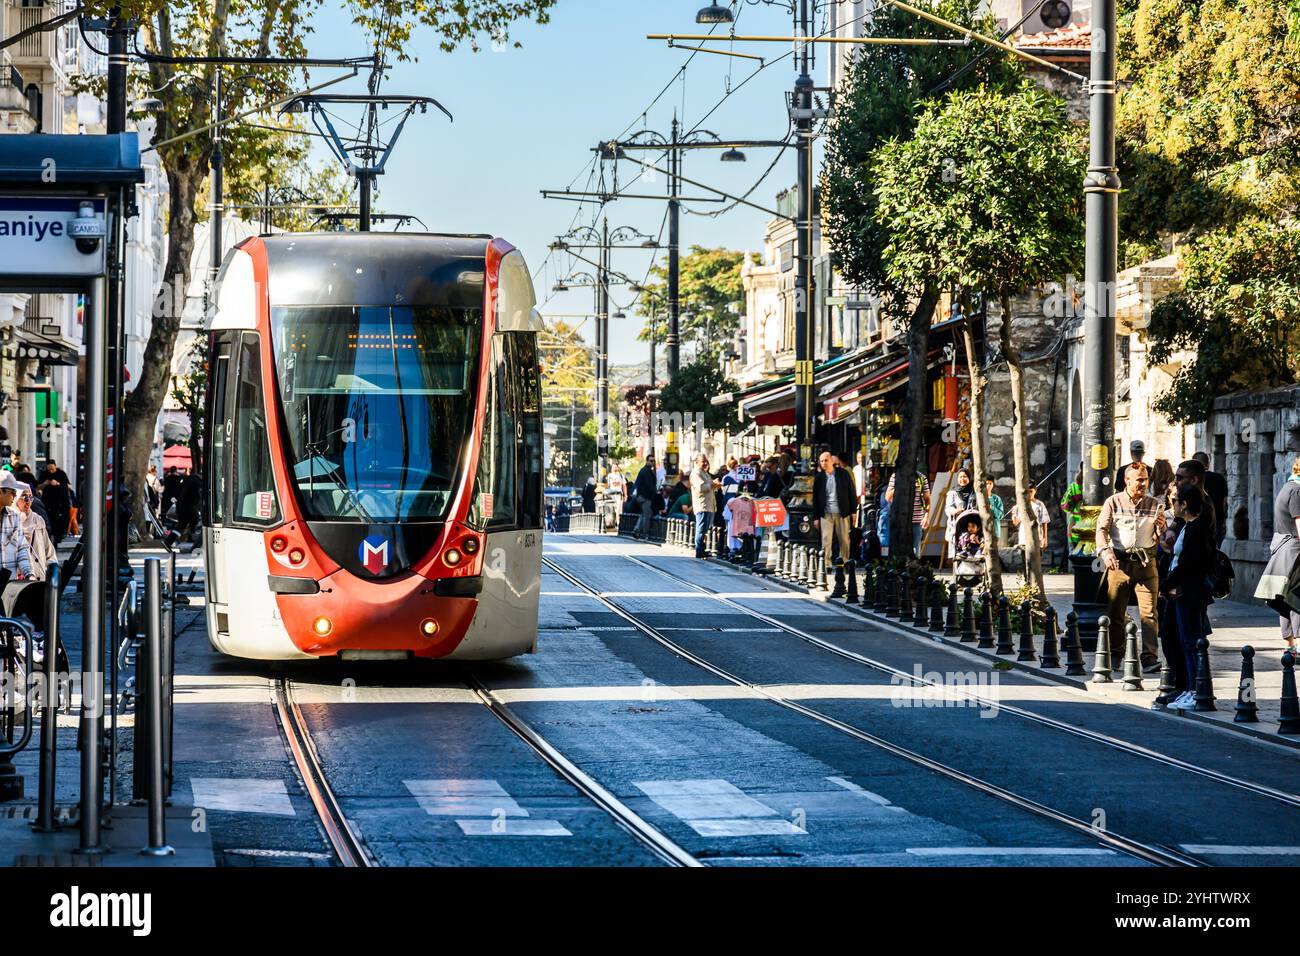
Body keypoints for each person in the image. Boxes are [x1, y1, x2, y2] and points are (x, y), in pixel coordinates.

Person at [1097, 461, 1166, 673]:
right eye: (1140, 480)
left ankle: (1149, 658)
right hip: (1120, 563)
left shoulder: (1155, 504)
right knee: (1116, 612)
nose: (1144, 484)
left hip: (1146, 564)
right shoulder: (1113, 502)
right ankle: (1116, 655)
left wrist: (1161, 528)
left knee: (1149, 613)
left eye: (1146, 480)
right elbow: (1101, 529)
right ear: (1127, 480)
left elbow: (1162, 538)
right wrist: (1106, 553)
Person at [1160, 484, 1217, 710]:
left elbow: (1187, 565)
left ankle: (1195, 691)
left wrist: (1167, 584)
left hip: (1189, 592)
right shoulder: (1188, 526)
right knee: (1185, 641)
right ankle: (1190, 689)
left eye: (1175, 501)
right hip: (1182, 591)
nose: (1172, 505)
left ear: (1184, 504)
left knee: (1191, 642)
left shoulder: (1197, 528)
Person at [1255, 456, 1300, 652]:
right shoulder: (1297, 491)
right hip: (1294, 550)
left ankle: (1290, 644)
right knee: (1296, 597)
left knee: (1285, 598)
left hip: (1284, 548)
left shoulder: (1287, 487)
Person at [813, 450, 855, 572]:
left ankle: (844, 561)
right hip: (826, 512)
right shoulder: (819, 478)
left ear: (832, 460)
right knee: (826, 539)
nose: (824, 463)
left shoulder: (843, 474)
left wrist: (853, 511)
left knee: (844, 539)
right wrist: (816, 517)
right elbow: (815, 498)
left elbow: (851, 492)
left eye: (826, 460)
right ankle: (827, 564)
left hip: (842, 511)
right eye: (821, 461)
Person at [885, 468, 931, 555]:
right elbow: (887, 497)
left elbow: (927, 499)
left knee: (915, 551)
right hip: (900, 521)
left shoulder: (921, 477)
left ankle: (914, 567)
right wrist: (900, 484)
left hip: (917, 521)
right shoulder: (895, 476)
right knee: (899, 550)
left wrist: (926, 516)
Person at [1173, 458, 1219, 543]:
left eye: (1179, 478)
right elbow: (1175, 524)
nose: (1175, 482)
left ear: (1194, 480)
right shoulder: (1187, 501)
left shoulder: (1203, 506)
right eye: (1175, 478)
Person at [1193, 451, 1229, 547]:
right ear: (1208, 464)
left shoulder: (1193, 480)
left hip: (1198, 521)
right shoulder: (1219, 478)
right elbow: (1224, 502)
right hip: (1217, 520)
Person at [1010, 484, 1050, 569]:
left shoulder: (1040, 504)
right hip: (1024, 537)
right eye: (1027, 492)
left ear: (1035, 491)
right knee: (1025, 560)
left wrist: (1044, 538)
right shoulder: (1020, 505)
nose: (1029, 494)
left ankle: (1035, 580)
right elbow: (1016, 523)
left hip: (1037, 536)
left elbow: (1044, 521)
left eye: (1031, 491)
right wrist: (1014, 515)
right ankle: (1026, 579)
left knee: (1036, 561)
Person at [689, 454, 720, 559]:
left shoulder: (704, 473)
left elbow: (710, 485)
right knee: (701, 528)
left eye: (706, 461)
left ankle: (702, 548)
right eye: (703, 461)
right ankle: (699, 550)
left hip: (709, 504)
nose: (705, 463)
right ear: (696, 462)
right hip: (702, 504)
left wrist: (715, 485)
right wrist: (713, 484)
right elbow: (701, 488)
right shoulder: (696, 473)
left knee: (705, 528)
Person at [36, 459, 72, 545]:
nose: (51, 471)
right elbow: (38, 486)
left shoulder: (61, 474)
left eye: (52, 469)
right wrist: (46, 483)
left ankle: (57, 538)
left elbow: (66, 486)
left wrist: (57, 484)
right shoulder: (44, 474)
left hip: (60, 503)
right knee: (49, 522)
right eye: (49, 469)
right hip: (47, 502)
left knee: (58, 523)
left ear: (55, 466)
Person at [943, 467, 977, 555]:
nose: (962, 479)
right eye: (960, 477)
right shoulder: (952, 493)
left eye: (965, 476)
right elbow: (948, 508)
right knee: (957, 552)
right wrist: (955, 511)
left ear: (969, 478)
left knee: (973, 550)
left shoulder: (975, 492)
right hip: (957, 524)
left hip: (972, 525)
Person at [632, 455, 658, 538]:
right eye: (651, 461)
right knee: (646, 515)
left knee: (645, 513)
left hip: (642, 496)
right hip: (645, 497)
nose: (652, 462)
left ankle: (637, 529)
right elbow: (649, 485)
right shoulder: (646, 471)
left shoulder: (645, 470)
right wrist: (653, 494)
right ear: (647, 461)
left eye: (654, 461)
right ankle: (645, 534)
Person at [1060, 468, 1084, 552]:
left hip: (1076, 524)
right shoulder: (1097, 484)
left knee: (1076, 553)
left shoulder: (1073, 486)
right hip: (1093, 526)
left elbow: (1064, 505)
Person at [984, 477, 1006, 544]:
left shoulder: (996, 498)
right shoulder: (978, 498)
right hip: (982, 530)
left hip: (995, 530)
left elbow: (1001, 515)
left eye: (990, 483)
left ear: (993, 484)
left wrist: (992, 508)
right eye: (986, 483)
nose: (988, 485)